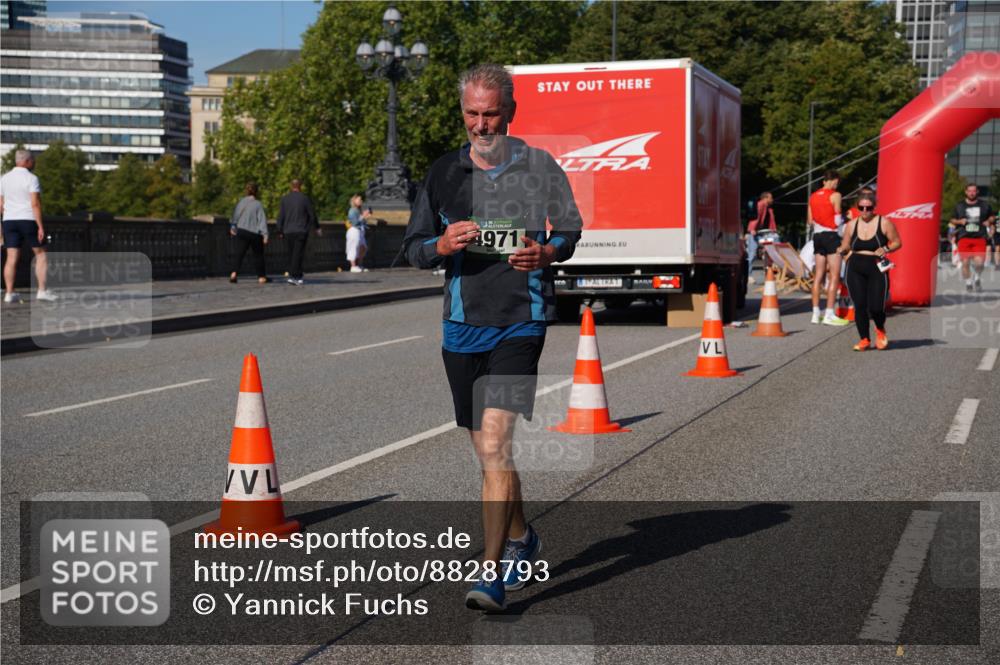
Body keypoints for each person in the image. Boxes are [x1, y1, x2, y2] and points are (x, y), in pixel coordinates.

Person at [402, 63, 582, 612]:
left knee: (497, 442)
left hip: (521, 322)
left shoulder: (541, 166)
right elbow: (412, 249)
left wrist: (547, 252)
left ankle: (491, 572)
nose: (481, 125)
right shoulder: (442, 173)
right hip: (461, 328)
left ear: (511, 112)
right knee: (487, 454)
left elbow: (570, 230)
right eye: (472, 114)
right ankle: (524, 538)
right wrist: (442, 245)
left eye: (491, 114)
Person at [838, 194, 902, 351]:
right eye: (861, 208)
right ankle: (864, 339)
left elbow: (897, 242)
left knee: (876, 307)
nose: (865, 211)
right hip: (856, 266)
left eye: (869, 208)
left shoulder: (884, 222)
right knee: (859, 305)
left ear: (874, 208)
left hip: (876, 265)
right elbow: (845, 245)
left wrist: (886, 248)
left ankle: (880, 329)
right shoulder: (851, 225)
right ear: (857, 208)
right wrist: (843, 250)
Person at [1, 149, 56, 303]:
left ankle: (9, 293)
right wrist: (40, 226)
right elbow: (35, 203)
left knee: (11, 257)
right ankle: (42, 291)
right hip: (28, 219)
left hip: (9, 220)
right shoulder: (32, 178)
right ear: (26, 161)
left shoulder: (4, 179)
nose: (34, 163)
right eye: (33, 160)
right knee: (41, 254)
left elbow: (1, 204)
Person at [808, 170, 851, 325]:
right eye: (836, 182)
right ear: (832, 181)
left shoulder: (812, 196)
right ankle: (829, 314)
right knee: (834, 275)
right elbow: (838, 218)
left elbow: (809, 221)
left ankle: (815, 314)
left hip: (817, 236)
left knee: (818, 275)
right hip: (831, 236)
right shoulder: (836, 195)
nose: (836, 185)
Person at [950, 183, 995, 292]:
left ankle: (977, 278)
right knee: (965, 262)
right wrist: (960, 221)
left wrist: (989, 221)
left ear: (977, 192)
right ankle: (968, 282)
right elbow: (952, 219)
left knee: (979, 263)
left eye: (974, 191)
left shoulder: (985, 205)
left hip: (980, 237)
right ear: (966, 192)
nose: (972, 193)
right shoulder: (959, 206)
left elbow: (993, 217)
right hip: (964, 237)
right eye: (969, 191)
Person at [277, 179, 320, 285]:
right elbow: (312, 215)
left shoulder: (285, 199)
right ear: (300, 186)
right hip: (301, 230)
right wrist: (316, 227)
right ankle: (295, 275)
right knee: (298, 254)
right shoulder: (305, 199)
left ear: (291, 186)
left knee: (291, 254)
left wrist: (279, 230)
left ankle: (297, 275)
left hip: (288, 230)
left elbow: (280, 216)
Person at [228, 182, 270, 284]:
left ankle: (234, 273)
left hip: (242, 231)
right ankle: (261, 277)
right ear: (257, 192)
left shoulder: (241, 202)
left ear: (247, 191)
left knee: (239, 254)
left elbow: (235, 216)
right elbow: (262, 221)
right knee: (258, 255)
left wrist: (233, 227)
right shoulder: (258, 204)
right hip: (254, 233)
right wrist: (265, 235)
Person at [745, 191, 777, 285]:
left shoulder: (769, 209)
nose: (772, 200)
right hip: (756, 232)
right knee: (752, 254)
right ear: (765, 198)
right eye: (771, 198)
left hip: (765, 233)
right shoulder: (760, 205)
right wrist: (752, 229)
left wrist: (774, 230)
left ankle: (769, 270)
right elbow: (756, 217)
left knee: (773, 248)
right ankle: (748, 275)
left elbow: (771, 222)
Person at [346, 194, 370, 273]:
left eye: (361, 200)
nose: (361, 201)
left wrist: (365, 217)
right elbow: (355, 222)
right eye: (359, 200)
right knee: (353, 247)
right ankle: (353, 266)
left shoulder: (358, 210)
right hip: (354, 230)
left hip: (360, 231)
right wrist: (363, 216)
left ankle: (359, 265)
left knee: (363, 247)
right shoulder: (352, 210)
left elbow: (362, 221)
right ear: (354, 201)